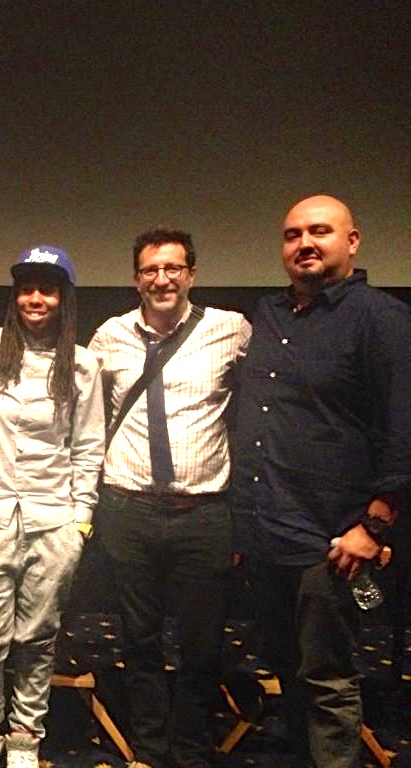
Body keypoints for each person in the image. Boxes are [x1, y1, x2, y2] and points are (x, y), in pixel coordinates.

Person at [232, 195, 411, 767]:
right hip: (266, 530)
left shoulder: (381, 319)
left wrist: (374, 527)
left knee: (329, 680)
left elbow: (402, 431)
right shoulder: (271, 316)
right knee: (285, 667)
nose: (304, 243)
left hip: (331, 540)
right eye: (292, 234)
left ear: (351, 241)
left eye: (319, 231)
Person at [88, 228, 251, 768]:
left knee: (202, 646)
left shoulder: (232, 330)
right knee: (139, 640)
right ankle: (151, 752)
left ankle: (192, 751)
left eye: (173, 268)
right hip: (127, 510)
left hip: (202, 514)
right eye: (151, 269)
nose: (162, 278)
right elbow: (81, 410)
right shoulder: (109, 336)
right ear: (136, 277)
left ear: (191, 274)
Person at [0, 246, 104, 768]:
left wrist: (81, 521)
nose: (35, 299)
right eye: (26, 288)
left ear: (63, 298)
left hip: (53, 518)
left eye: (47, 289)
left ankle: (24, 738)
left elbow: (88, 447)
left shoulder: (83, 364)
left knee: (37, 637)